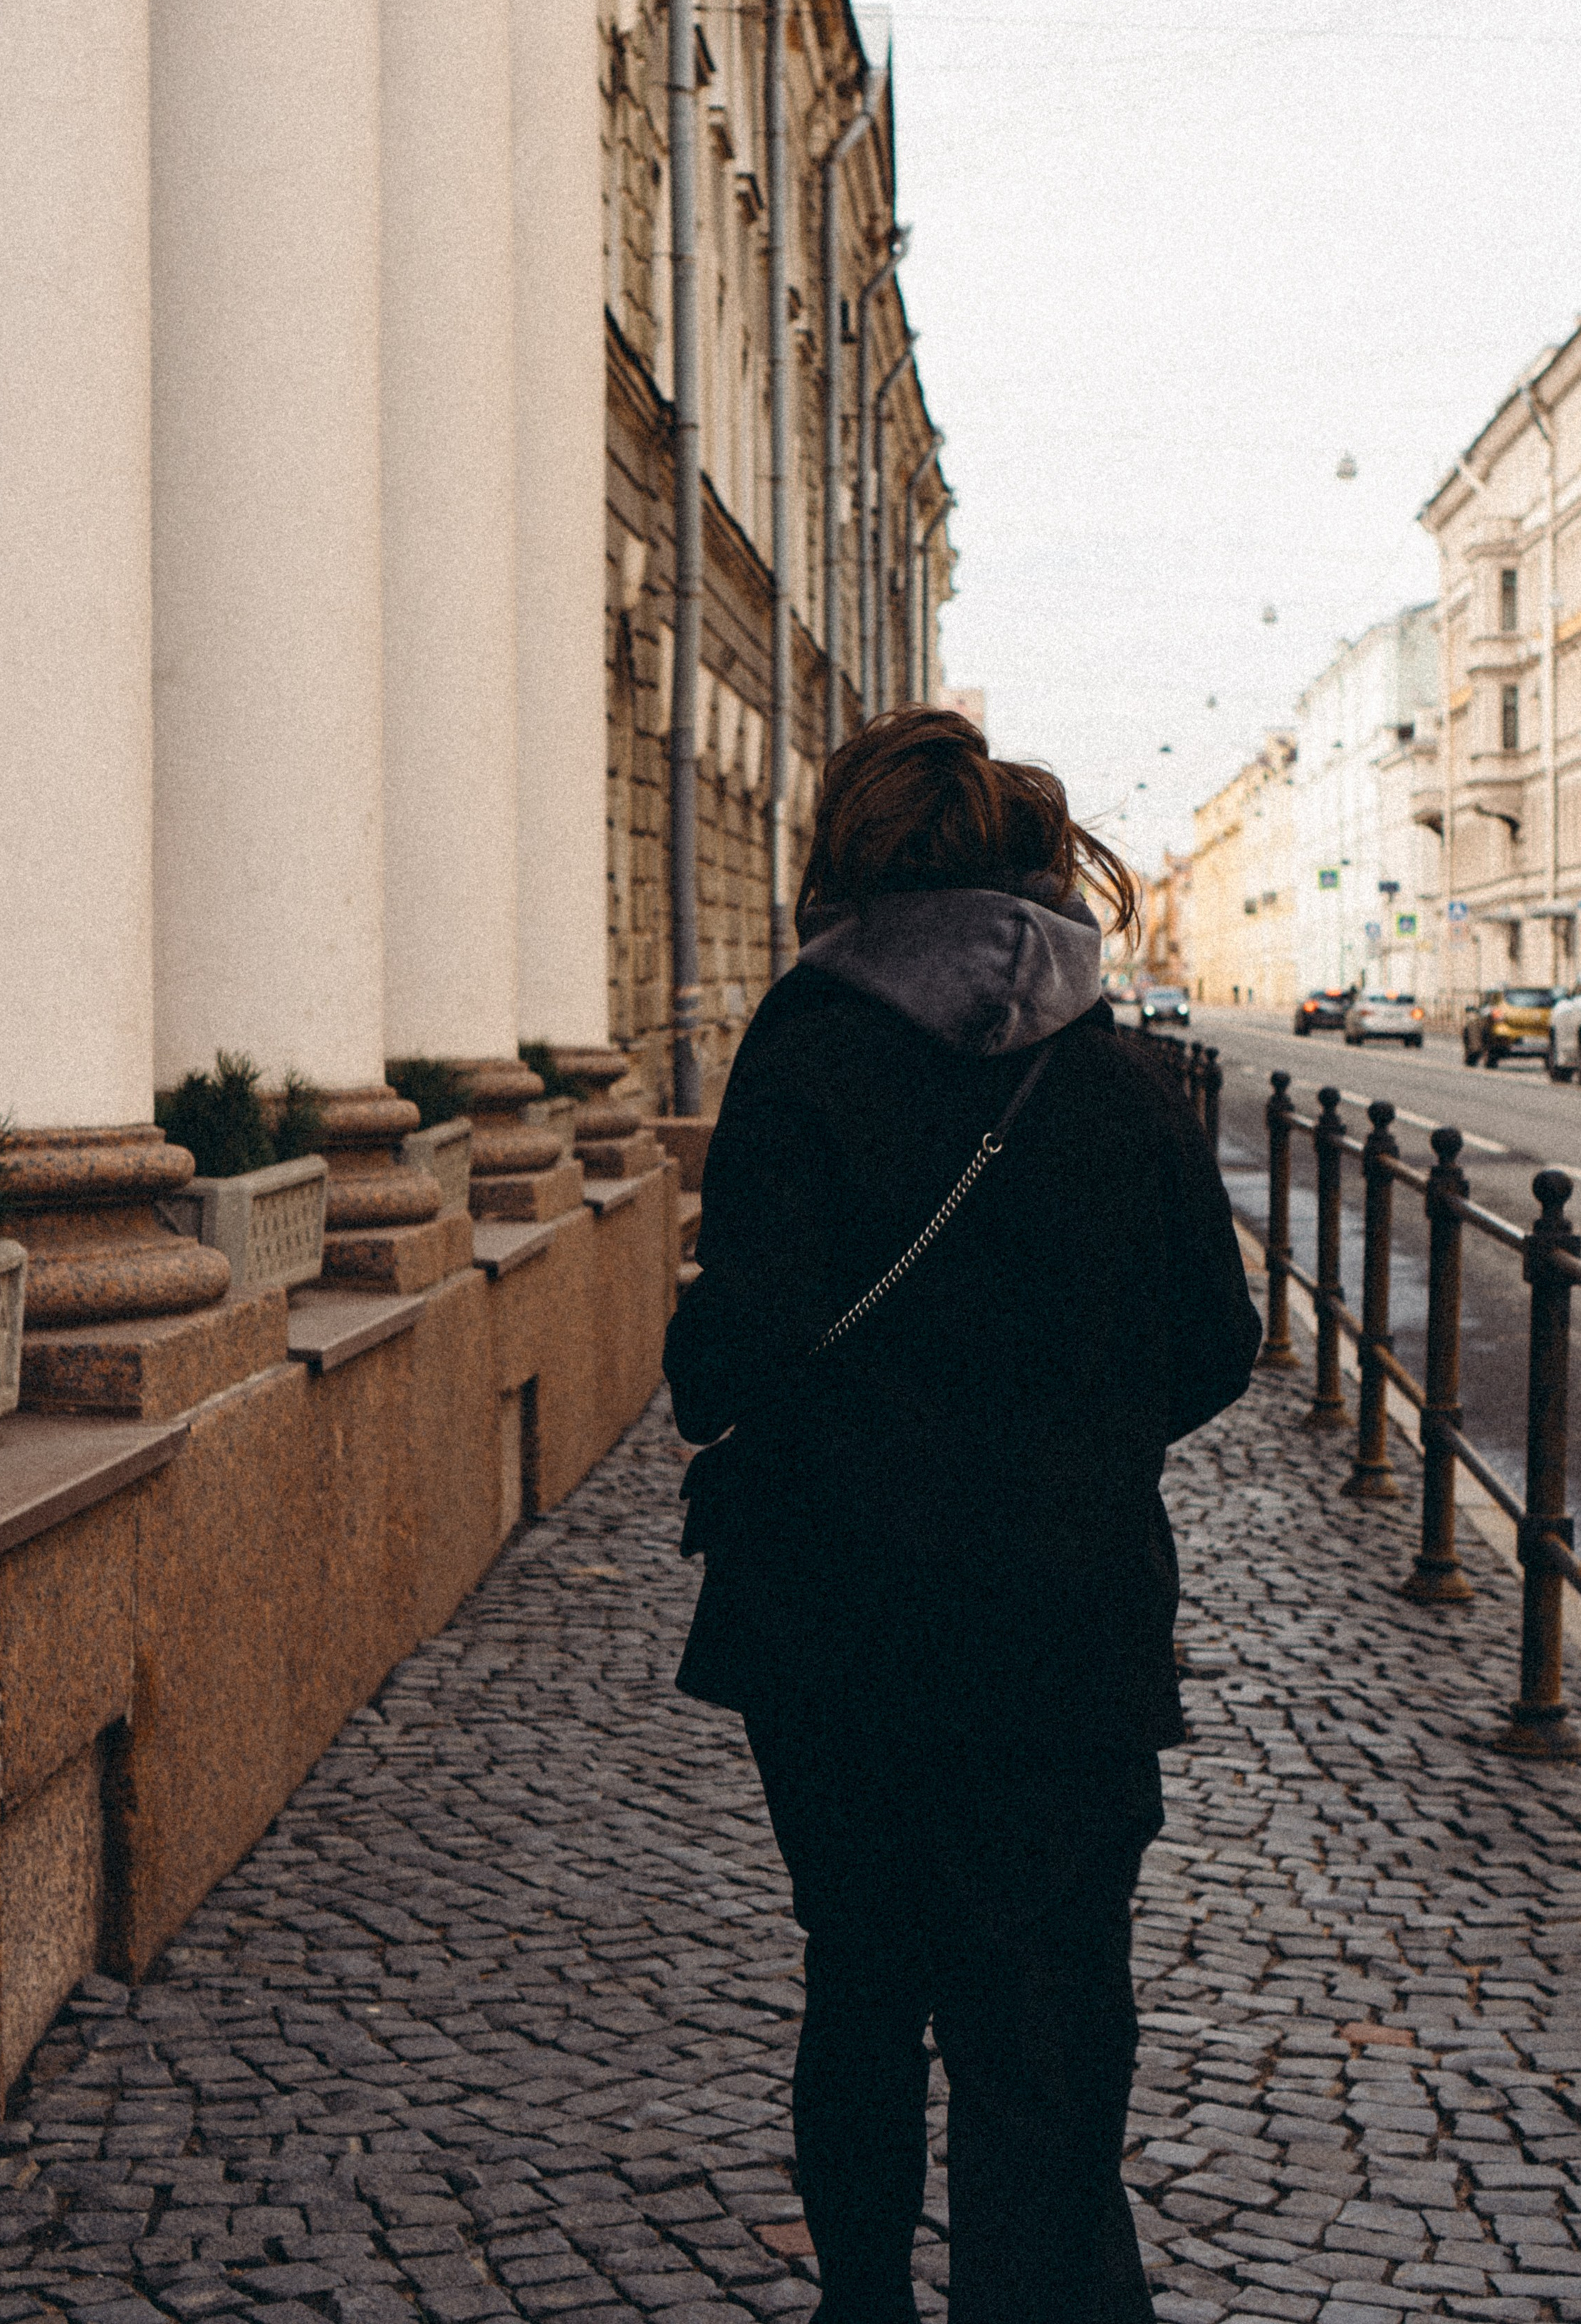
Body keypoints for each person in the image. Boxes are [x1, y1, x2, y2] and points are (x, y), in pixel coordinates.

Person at [663, 706, 1261, 2324]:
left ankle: (861, 2304)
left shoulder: (804, 1049)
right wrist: (1062, 1454)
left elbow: (726, 1355)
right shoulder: (1121, 1082)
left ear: (848, 863)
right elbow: (1217, 1345)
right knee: (1046, 2024)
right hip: (1063, 1632)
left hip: (832, 1627)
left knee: (859, 1985)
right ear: (1040, 873)